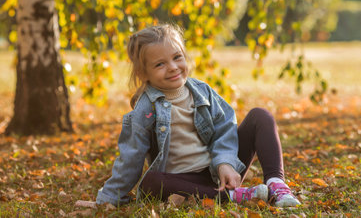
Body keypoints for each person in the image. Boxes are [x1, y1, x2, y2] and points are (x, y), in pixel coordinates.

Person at [96, 24, 300, 207]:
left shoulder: (202, 92)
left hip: (219, 171)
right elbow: (130, 158)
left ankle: (276, 184)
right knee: (151, 183)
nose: (173, 67)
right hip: (183, 183)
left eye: (177, 57)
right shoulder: (145, 110)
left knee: (260, 116)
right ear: (143, 73)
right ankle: (233, 197)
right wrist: (109, 199)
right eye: (160, 64)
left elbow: (225, 127)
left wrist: (225, 162)